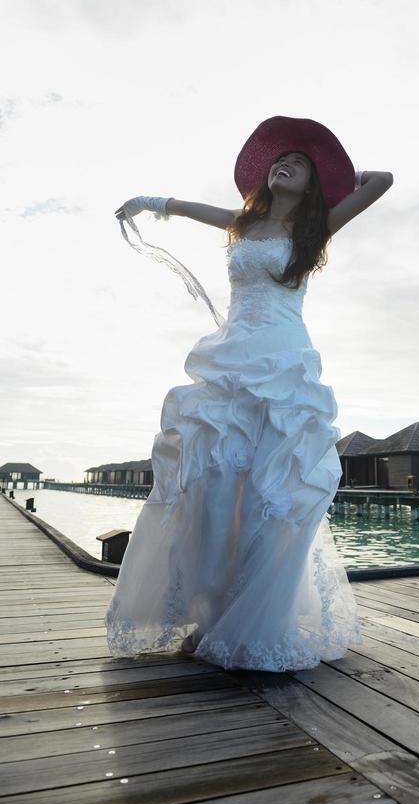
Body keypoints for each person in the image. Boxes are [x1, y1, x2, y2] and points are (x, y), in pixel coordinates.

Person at [105, 115, 394, 671]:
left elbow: (381, 181)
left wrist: (335, 172)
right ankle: (210, 617)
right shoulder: (243, 222)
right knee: (213, 489)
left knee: (273, 495)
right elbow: (188, 209)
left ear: (312, 185)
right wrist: (148, 201)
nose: (287, 165)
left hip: (282, 363)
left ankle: (257, 621)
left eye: (301, 164)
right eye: (283, 160)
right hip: (230, 361)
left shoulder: (317, 229)